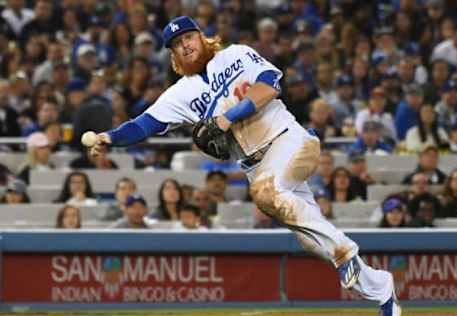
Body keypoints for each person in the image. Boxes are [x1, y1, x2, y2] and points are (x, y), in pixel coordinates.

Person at [88, 16, 401, 314]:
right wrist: (108, 138)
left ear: (201, 36)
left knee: (267, 195)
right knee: (311, 239)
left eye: (188, 37)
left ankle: (348, 255)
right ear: (173, 55)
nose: (185, 46)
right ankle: (381, 289)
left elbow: (269, 85)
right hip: (258, 166)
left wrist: (228, 117)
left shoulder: (235, 55)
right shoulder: (180, 95)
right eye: (176, 44)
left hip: (288, 140)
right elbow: (143, 125)